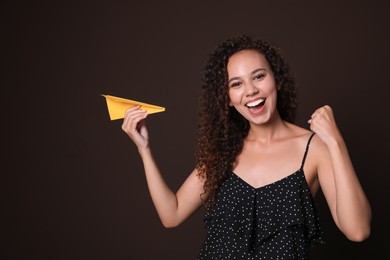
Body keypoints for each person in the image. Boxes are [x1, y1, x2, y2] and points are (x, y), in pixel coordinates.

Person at [121, 34, 371, 259]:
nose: (250, 91)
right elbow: (171, 214)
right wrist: (144, 150)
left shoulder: (315, 148)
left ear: (277, 80)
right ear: (227, 99)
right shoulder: (225, 151)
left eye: (259, 76)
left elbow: (358, 231)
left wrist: (336, 142)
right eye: (236, 84)